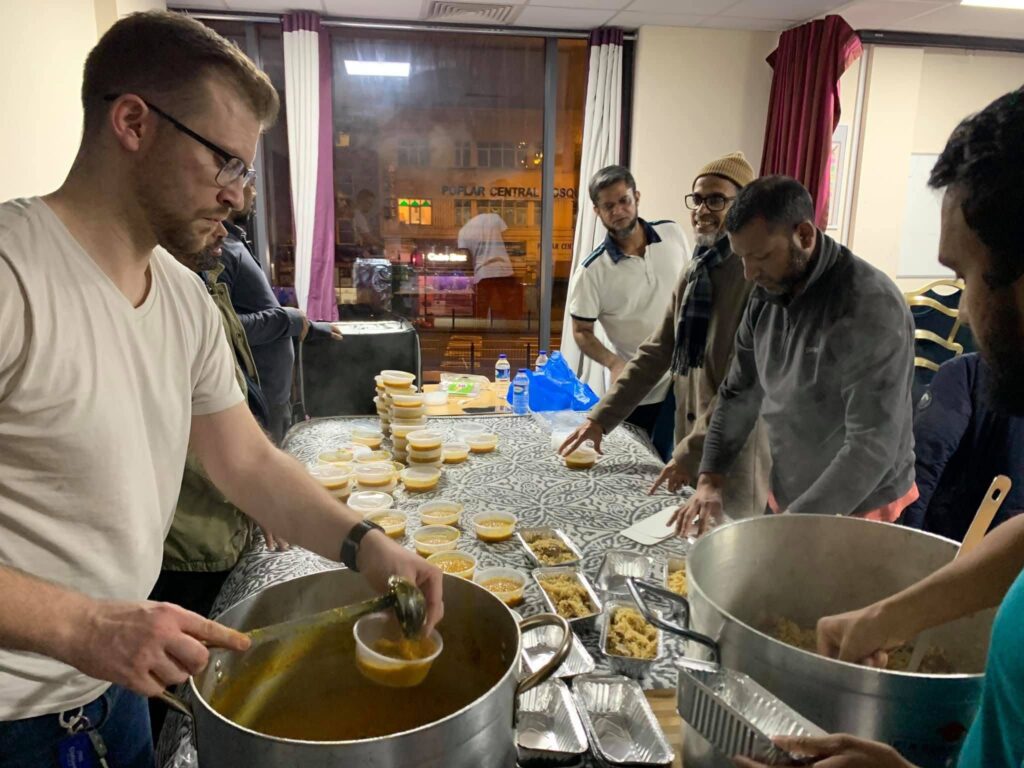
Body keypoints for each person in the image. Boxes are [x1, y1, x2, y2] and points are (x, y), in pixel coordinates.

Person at [0, 13, 442, 768]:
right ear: (133, 122)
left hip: (111, 695)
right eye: (225, 163)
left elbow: (247, 462)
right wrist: (84, 627)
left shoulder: (183, 298)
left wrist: (370, 549)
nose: (238, 197)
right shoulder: (15, 277)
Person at [735, 88, 1024, 768]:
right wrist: (886, 616)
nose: (961, 311)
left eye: (965, 274)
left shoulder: (867, 302)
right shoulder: (769, 304)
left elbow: (869, 442)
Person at [672, 176, 916, 537]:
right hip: (790, 486)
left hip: (861, 502)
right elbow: (738, 392)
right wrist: (710, 478)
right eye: (742, 258)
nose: (749, 273)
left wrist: (791, 526)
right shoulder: (767, 290)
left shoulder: (870, 305)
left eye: (761, 256)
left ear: (804, 234)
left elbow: (871, 446)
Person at [560, 153, 770, 517]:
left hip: (732, 450)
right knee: (685, 541)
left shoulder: (755, 277)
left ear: (744, 204)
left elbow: (743, 387)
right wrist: (600, 419)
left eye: (716, 200)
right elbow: (658, 350)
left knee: (731, 542)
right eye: (698, 199)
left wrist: (688, 454)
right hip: (689, 430)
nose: (702, 210)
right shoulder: (696, 270)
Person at [566, 165, 690, 460]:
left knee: (685, 460)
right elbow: (581, 331)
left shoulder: (672, 233)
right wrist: (613, 363)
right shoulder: (591, 271)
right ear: (597, 211)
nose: (618, 211)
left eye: (624, 200)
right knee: (642, 462)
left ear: (637, 197)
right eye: (609, 206)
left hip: (688, 376)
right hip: (640, 385)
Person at [220, 184, 341, 444]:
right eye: (249, 180)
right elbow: (224, 329)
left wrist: (311, 328)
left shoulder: (235, 243)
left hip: (274, 396)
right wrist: (289, 319)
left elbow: (256, 310)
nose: (255, 192)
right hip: (259, 401)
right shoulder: (222, 250)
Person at [900, 352, 1024, 540]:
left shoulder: (967, 371)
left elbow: (923, 467)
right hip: (997, 544)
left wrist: (907, 540)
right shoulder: (966, 373)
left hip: (952, 543)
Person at [458, 211, 521, 320]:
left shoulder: (463, 231)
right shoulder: (494, 218)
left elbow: (465, 258)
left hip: (482, 271)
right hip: (503, 268)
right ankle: (514, 328)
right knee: (510, 306)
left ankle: (480, 327)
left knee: (481, 307)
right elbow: (507, 238)